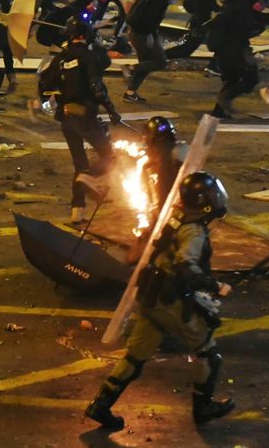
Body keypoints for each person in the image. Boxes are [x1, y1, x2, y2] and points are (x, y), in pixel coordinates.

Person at [84, 172, 235, 432]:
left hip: (152, 297)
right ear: (205, 202)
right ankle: (203, 407)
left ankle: (101, 405)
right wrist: (215, 286)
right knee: (208, 354)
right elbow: (186, 266)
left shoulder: (175, 220)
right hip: (170, 301)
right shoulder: (194, 231)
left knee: (135, 357)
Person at [43, 28, 118, 224]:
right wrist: (111, 110)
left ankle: (77, 210)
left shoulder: (59, 59)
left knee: (80, 164)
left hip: (66, 118)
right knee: (108, 156)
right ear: (87, 38)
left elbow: (44, 85)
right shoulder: (89, 56)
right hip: (85, 116)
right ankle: (91, 178)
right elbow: (97, 87)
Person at [124, 0, 178, 101]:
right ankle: (130, 68)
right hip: (142, 34)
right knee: (160, 61)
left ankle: (130, 93)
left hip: (137, 33)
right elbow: (149, 20)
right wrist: (150, 35)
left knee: (146, 64)